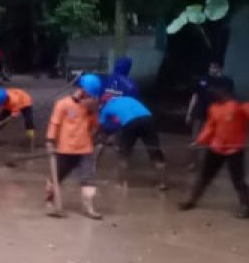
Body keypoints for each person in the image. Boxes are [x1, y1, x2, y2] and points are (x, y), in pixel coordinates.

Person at [179, 76, 249, 216]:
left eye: (214, 88)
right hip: (215, 148)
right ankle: (191, 200)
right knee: (203, 177)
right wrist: (198, 142)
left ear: (223, 90)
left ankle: (246, 207)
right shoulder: (214, 108)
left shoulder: (239, 106)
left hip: (234, 149)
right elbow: (209, 128)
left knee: (238, 180)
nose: (211, 91)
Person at [45, 73, 103, 219]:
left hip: (85, 149)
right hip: (65, 149)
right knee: (55, 177)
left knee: (88, 179)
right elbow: (54, 123)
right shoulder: (63, 104)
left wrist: (94, 111)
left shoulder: (91, 107)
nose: (92, 97)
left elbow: (96, 126)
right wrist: (50, 140)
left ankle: (88, 207)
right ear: (82, 89)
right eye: (90, 93)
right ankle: (51, 202)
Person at [97, 94, 166, 190]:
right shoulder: (128, 98)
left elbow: (100, 126)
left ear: (104, 102)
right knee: (155, 151)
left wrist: (98, 137)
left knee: (123, 154)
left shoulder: (106, 107)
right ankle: (162, 184)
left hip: (130, 123)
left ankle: (122, 184)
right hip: (148, 119)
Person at [185, 62, 231, 170]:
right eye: (210, 67)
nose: (212, 69)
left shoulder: (226, 82)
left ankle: (207, 164)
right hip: (199, 113)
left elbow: (228, 100)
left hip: (215, 116)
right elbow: (195, 96)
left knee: (212, 140)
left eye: (214, 67)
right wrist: (189, 112)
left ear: (220, 68)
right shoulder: (203, 79)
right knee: (195, 139)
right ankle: (193, 163)